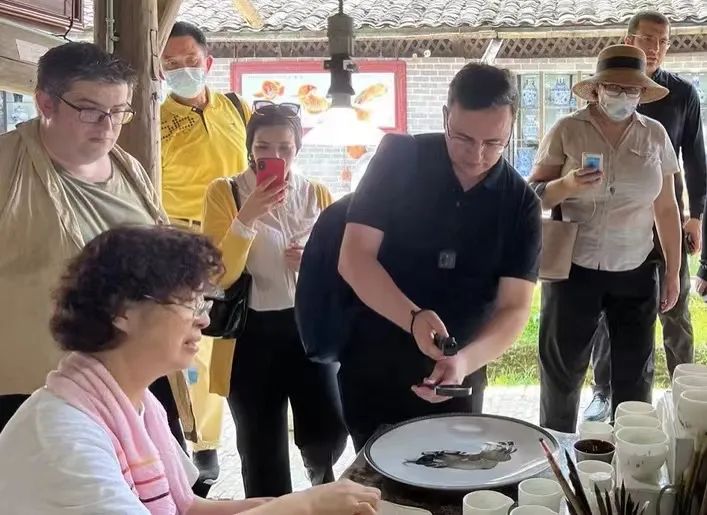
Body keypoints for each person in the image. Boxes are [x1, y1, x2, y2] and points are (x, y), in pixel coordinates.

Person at [0, 225, 381, 515]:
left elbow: (189, 509)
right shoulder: (62, 434)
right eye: (190, 302)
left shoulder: (137, 404)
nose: (204, 319)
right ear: (122, 311)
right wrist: (305, 506)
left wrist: (304, 502)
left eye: (204, 302)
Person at [337, 63, 542, 451]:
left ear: (512, 127)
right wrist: (413, 318)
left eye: (494, 143)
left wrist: (464, 361)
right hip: (375, 363)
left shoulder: (520, 203)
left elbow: (515, 308)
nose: (478, 155)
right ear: (445, 116)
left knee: (452, 489)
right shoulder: (400, 160)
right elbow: (355, 258)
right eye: (463, 138)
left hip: (460, 375)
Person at [0, 42, 196, 443]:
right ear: (45, 104)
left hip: (136, 378)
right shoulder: (7, 168)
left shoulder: (130, 169)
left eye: (118, 111)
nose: (106, 126)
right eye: (89, 111)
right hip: (36, 389)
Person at [530, 44, 683, 433]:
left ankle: (629, 460)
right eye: (614, 87)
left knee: (635, 374)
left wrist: (673, 272)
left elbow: (666, 209)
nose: (623, 95)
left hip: (635, 267)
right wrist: (567, 184)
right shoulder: (568, 129)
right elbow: (533, 197)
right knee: (562, 371)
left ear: (642, 93)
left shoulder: (655, 135)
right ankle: (556, 455)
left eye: (631, 90)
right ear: (597, 90)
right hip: (573, 267)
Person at [201, 102, 348, 497]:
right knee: (260, 447)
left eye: (284, 147)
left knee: (327, 432)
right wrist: (246, 218)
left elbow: (342, 265)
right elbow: (217, 274)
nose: (274, 156)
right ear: (250, 148)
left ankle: (320, 480)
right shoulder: (225, 193)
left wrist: (316, 261)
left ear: (298, 148)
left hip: (308, 331)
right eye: (264, 147)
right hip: (249, 335)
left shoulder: (317, 193)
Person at [583, 10, 707, 423]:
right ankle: (604, 391)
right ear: (630, 39)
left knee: (676, 308)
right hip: (616, 222)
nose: (654, 48)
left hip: (667, 219)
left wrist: (696, 217)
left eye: (663, 41)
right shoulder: (605, 91)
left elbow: (696, 161)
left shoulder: (683, 95)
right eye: (647, 39)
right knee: (610, 310)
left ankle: (685, 391)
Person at [161, 21, 252, 481]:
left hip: (240, 230)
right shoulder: (153, 122)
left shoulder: (237, 108)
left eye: (189, 61)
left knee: (247, 327)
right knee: (196, 339)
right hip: (185, 239)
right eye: (171, 64)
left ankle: (255, 421)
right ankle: (204, 448)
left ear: (208, 62)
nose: (181, 70)